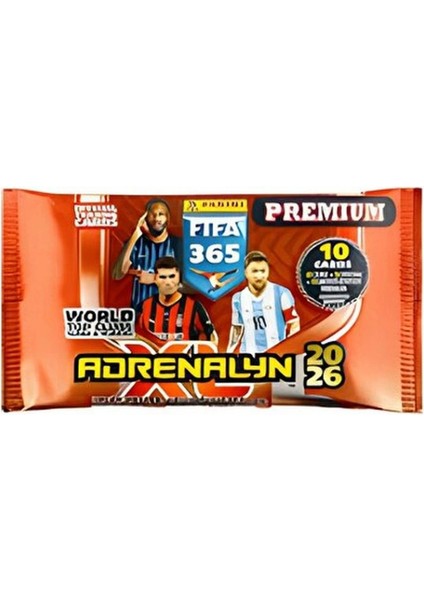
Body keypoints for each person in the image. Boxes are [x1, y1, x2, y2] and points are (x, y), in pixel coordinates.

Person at [112, 198, 179, 312]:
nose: (157, 218)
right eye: (153, 214)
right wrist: (136, 233)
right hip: (140, 315)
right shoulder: (136, 243)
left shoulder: (177, 245)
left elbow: (190, 286)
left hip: (169, 316)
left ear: (167, 218)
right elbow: (118, 274)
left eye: (161, 214)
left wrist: (154, 279)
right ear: (145, 218)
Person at [136, 256, 218, 348]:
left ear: (179, 279)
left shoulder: (194, 307)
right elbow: (133, 336)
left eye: (172, 276)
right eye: (163, 277)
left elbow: (212, 339)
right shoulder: (144, 306)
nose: (168, 282)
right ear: (155, 279)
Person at [226, 251, 300, 354]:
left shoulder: (281, 293)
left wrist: (288, 350)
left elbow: (294, 324)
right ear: (246, 273)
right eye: (255, 271)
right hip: (247, 356)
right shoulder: (238, 298)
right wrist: (229, 352)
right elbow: (237, 328)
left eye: (263, 271)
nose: (259, 275)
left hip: (275, 355)